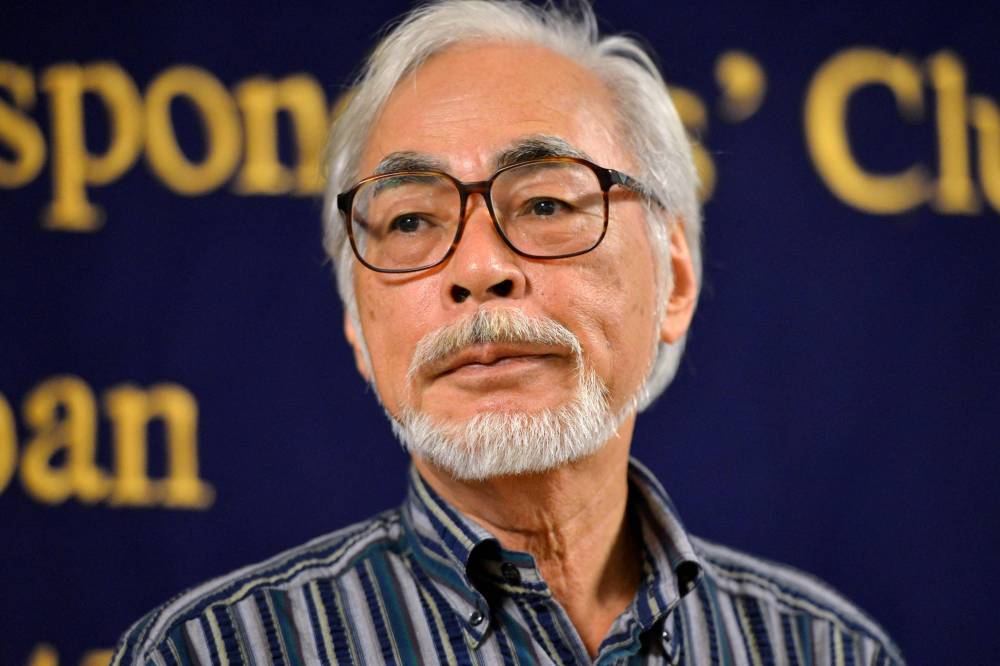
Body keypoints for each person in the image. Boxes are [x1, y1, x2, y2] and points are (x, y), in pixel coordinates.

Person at [113, 1, 904, 664]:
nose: (478, 266)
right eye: (412, 219)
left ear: (676, 280)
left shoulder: (826, 649)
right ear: (358, 321)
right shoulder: (214, 651)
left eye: (547, 205)